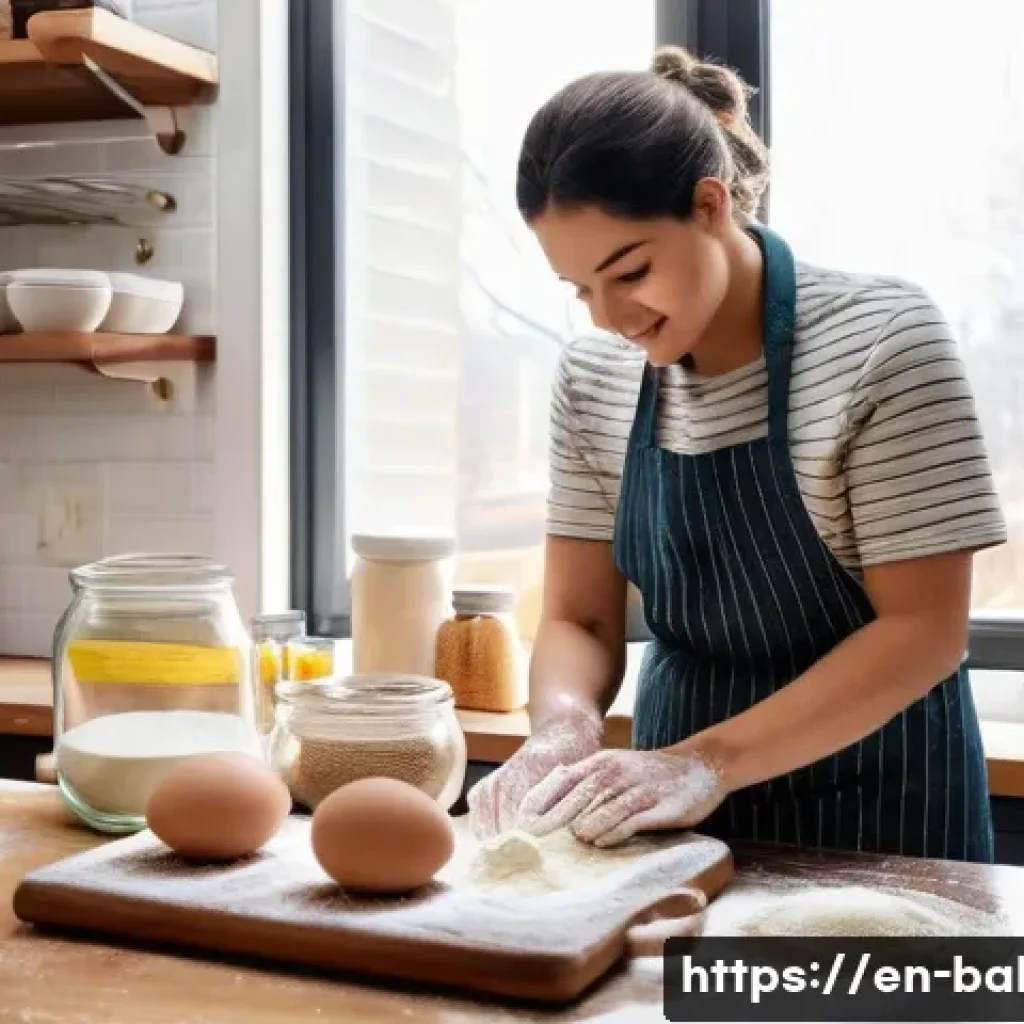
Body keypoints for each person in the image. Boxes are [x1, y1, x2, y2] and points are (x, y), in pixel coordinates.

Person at [465, 45, 1007, 863]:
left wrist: (705, 763)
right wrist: (564, 727)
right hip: (662, 819)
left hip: (886, 816)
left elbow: (924, 630)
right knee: (675, 958)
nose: (609, 318)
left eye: (630, 272)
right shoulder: (594, 376)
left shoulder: (883, 341)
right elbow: (579, 617)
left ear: (710, 205)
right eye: (581, 289)